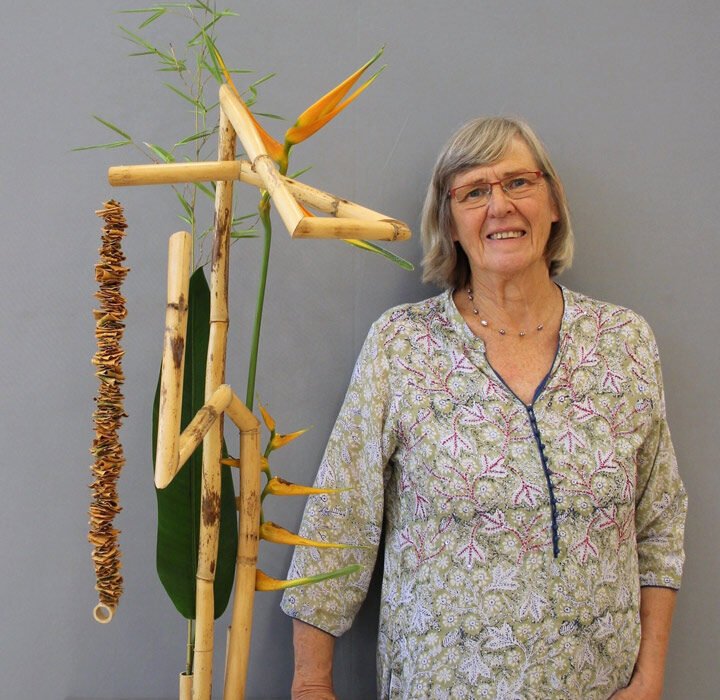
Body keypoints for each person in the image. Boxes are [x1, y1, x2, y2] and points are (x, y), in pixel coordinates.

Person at [281, 117, 687, 699]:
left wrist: (649, 679)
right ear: (449, 222)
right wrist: (311, 682)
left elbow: (659, 520)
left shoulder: (624, 342)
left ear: (553, 202)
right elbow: (340, 519)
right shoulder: (403, 345)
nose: (500, 206)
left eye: (519, 182)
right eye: (473, 192)